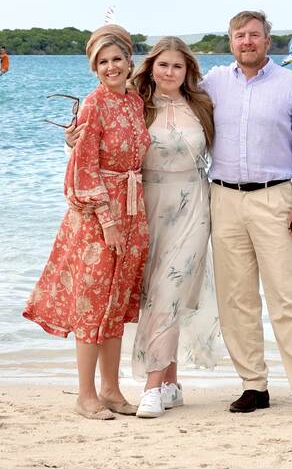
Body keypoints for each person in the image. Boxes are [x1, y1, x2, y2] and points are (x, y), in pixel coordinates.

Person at [66, 38, 223, 419]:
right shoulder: (137, 101)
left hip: (192, 207)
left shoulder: (203, 104)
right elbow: (98, 146)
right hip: (142, 207)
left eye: (178, 67)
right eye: (163, 65)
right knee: (146, 294)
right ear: (150, 68)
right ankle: (169, 382)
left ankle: (152, 388)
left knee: (170, 290)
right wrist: (70, 139)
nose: (170, 73)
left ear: (188, 72)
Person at [202, 10, 292, 418]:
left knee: (286, 296)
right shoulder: (213, 83)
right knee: (235, 299)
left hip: (276, 198)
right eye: (239, 36)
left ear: (267, 41)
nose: (247, 42)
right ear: (231, 42)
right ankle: (253, 385)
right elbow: (169, 104)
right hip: (222, 199)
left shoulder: (291, 85)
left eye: (254, 35)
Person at [23, 25, 151, 420]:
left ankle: (112, 391)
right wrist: (106, 219)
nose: (111, 67)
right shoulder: (93, 105)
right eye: (102, 62)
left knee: (117, 306)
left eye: (117, 59)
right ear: (94, 68)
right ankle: (86, 395)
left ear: (130, 62)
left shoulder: (134, 103)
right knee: (92, 304)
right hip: (98, 218)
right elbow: (84, 168)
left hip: (134, 211)